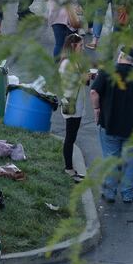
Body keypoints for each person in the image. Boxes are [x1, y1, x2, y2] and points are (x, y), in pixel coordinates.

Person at [91, 48, 133, 204]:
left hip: (109, 125)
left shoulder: (107, 72)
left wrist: (96, 109)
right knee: (129, 161)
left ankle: (109, 193)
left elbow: (94, 92)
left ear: (120, 56)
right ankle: (127, 194)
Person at [58, 32, 89, 178]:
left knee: (72, 136)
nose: (82, 48)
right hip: (71, 104)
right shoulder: (66, 63)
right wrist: (82, 78)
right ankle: (68, 168)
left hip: (78, 103)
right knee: (70, 137)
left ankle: (70, 167)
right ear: (73, 46)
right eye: (81, 45)